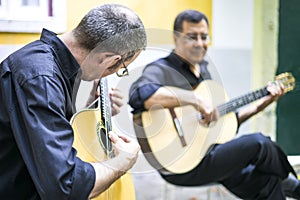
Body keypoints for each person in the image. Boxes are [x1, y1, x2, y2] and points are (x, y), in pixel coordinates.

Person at [128, 9, 300, 199]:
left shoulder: (204, 74)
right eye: (192, 37)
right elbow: (139, 95)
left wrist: (261, 106)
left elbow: (222, 126)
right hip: (181, 166)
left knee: (266, 182)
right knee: (260, 142)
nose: (200, 43)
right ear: (176, 39)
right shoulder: (163, 69)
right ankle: (294, 185)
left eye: (204, 37)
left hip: (208, 154)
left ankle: (286, 185)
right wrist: (195, 100)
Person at [0, 4, 146, 200]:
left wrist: (91, 110)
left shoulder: (52, 65)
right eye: (119, 68)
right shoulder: (40, 78)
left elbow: (45, 130)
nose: (110, 74)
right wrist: (123, 161)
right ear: (109, 60)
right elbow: (65, 186)